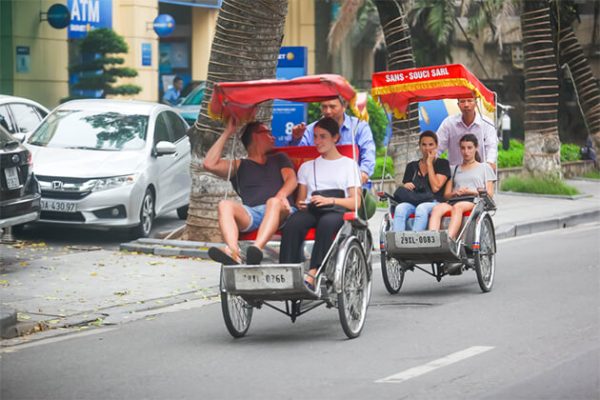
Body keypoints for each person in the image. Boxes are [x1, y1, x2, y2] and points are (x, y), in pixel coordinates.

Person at [279, 117, 362, 291]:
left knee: (326, 223)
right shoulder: (307, 167)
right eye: (315, 136)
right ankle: (288, 271)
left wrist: (329, 200)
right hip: (312, 208)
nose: (317, 141)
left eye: (323, 136)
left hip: (336, 208)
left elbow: (355, 202)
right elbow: (301, 200)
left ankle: (314, 273)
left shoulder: (349, 165)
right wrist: (301, 204)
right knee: (293, 223)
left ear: (335, 138)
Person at [203, 119, 297, 265]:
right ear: (255, 136)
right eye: (268, 133)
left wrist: (280, 196)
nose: (273, 137)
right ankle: (234, 254)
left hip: (282, 209)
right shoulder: (240, 165)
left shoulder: (279, 158)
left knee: (273, 202)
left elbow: (291, 179)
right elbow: (209, 164)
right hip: (254, 213)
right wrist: (228, 132)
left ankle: (256, 250)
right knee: (224, 204)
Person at [288, 98, 375, 185]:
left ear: (344, 106)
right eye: (324, 107)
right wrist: (296, 138)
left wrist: (364, 172)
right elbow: (298, 156)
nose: (328, 111)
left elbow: (368, 153)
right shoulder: (311, 129)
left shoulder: (358, 127)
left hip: (351, 185)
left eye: (332, 107)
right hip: (319, 185)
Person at [428, 134, 496, 240]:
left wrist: (471, 192)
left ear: (476, 148)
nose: (466, 151)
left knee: (458, 207)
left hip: (474, 200)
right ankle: (433, 239)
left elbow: (490, 194)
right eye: (463, 148)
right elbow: (446, 195)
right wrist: (456, 193)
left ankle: (449, 240)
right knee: (437, 208)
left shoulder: (485, 167)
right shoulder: (454, 169)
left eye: (469, 148)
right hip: (455, 199)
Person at [393, 131, 450, 231]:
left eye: (431, 144)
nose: (427, 148)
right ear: (419, 146)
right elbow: (406, 186)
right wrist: (406, 185)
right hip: (414, 200)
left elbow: (436, 188)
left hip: (434, 201)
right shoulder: (411, 166)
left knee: (421, 209)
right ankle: (398, 242)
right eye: (424, 145)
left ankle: (415, 242)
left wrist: (429, 164)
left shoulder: (442, 164)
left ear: (436, 146)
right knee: (400, 209)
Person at [436, 97, 498, 169]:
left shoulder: (486, 123)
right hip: (455, 173)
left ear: (476, 103)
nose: (466, 105)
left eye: (470, 101)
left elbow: (492, 147)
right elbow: (438, 146)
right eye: (462, 101)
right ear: (458, 105)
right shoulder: (449, 123)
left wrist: (489, 164)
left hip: (480, 173)